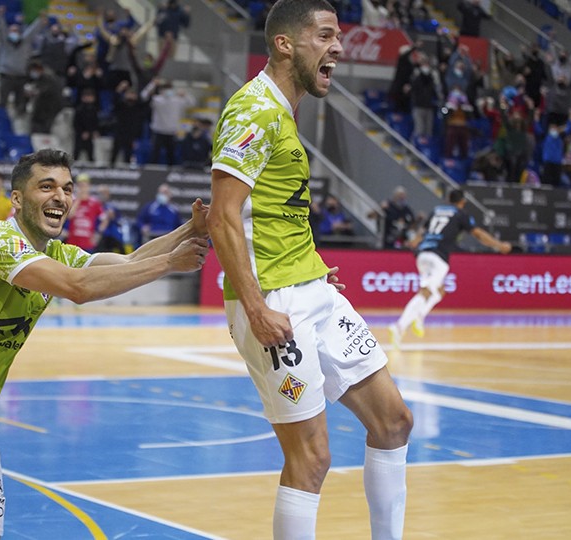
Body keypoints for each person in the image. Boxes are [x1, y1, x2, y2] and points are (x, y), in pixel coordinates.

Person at [0, 148, 209, 538]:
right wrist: (169, 264)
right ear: (17, 199)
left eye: (66, 188)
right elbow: (76, 288)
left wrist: (191, 230)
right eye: (46, 187)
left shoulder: (57, 252)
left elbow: (127, 265)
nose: (59, 196)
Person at [205, 1, 413, 537]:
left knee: (393, 422)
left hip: (311, 289)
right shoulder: (253, 108)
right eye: (324, 36)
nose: (338, 48)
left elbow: (271, 212)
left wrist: (313, 270)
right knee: (312, 458)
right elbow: (224, 217)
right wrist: (256, 306)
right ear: (285, 44)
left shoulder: (282, 109)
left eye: (337, 36)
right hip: (274, 303)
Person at [390, 189, 511, 343]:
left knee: (440, 291)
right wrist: (499, 245)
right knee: (426, 292)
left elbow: (422, 232)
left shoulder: (436, 210)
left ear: (448, 199)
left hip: (422, 253)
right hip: (438, 256)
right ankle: (399, 326)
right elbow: (478, 234)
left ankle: (419, 317)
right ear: (462, 202)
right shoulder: (461, 214)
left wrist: (414, 242)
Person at [65, 173, 104, 251]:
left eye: (85, 185)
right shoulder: (72, 200)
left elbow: (104, 219)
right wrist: (78, 200)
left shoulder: (95, 202)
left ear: (89, 186)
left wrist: (98, 234)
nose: (83, 188)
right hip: (72, 242)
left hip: (87, 243)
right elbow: (69, 216)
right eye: (80, 186)